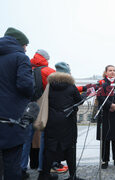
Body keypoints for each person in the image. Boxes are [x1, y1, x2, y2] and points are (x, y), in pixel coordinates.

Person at [38, 62, 84, 180]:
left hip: (52, 122)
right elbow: (79, 101)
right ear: (67, 73)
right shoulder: (71, 87)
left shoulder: (50, 85)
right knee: (70, 148)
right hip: (68, 122)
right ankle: (72, 176)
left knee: (49, 148)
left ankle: (45, 175)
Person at [0, 27, 33, 179]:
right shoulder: (20, 57)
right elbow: (25, 85)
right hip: (11, 121)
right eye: (26, 45)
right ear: (20, 43)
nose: (26, 49)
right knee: (12, 164)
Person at [21, 49, 56, 179]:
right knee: (43, 139)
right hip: (42, 108)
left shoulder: (26, 68)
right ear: (46, 58)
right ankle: (43, 170)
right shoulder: (48, 71)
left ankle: (21, 169)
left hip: (26, 108)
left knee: (25, 140)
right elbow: (60, 86)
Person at [96, 65, 115, 169]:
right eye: (110, 70)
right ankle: (105, 160)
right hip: (105, 113)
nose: (112, 72)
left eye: (114, 70)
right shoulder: (101, 83)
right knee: (105, 138)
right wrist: (110, 105)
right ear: (105, 72)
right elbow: (100, 96)